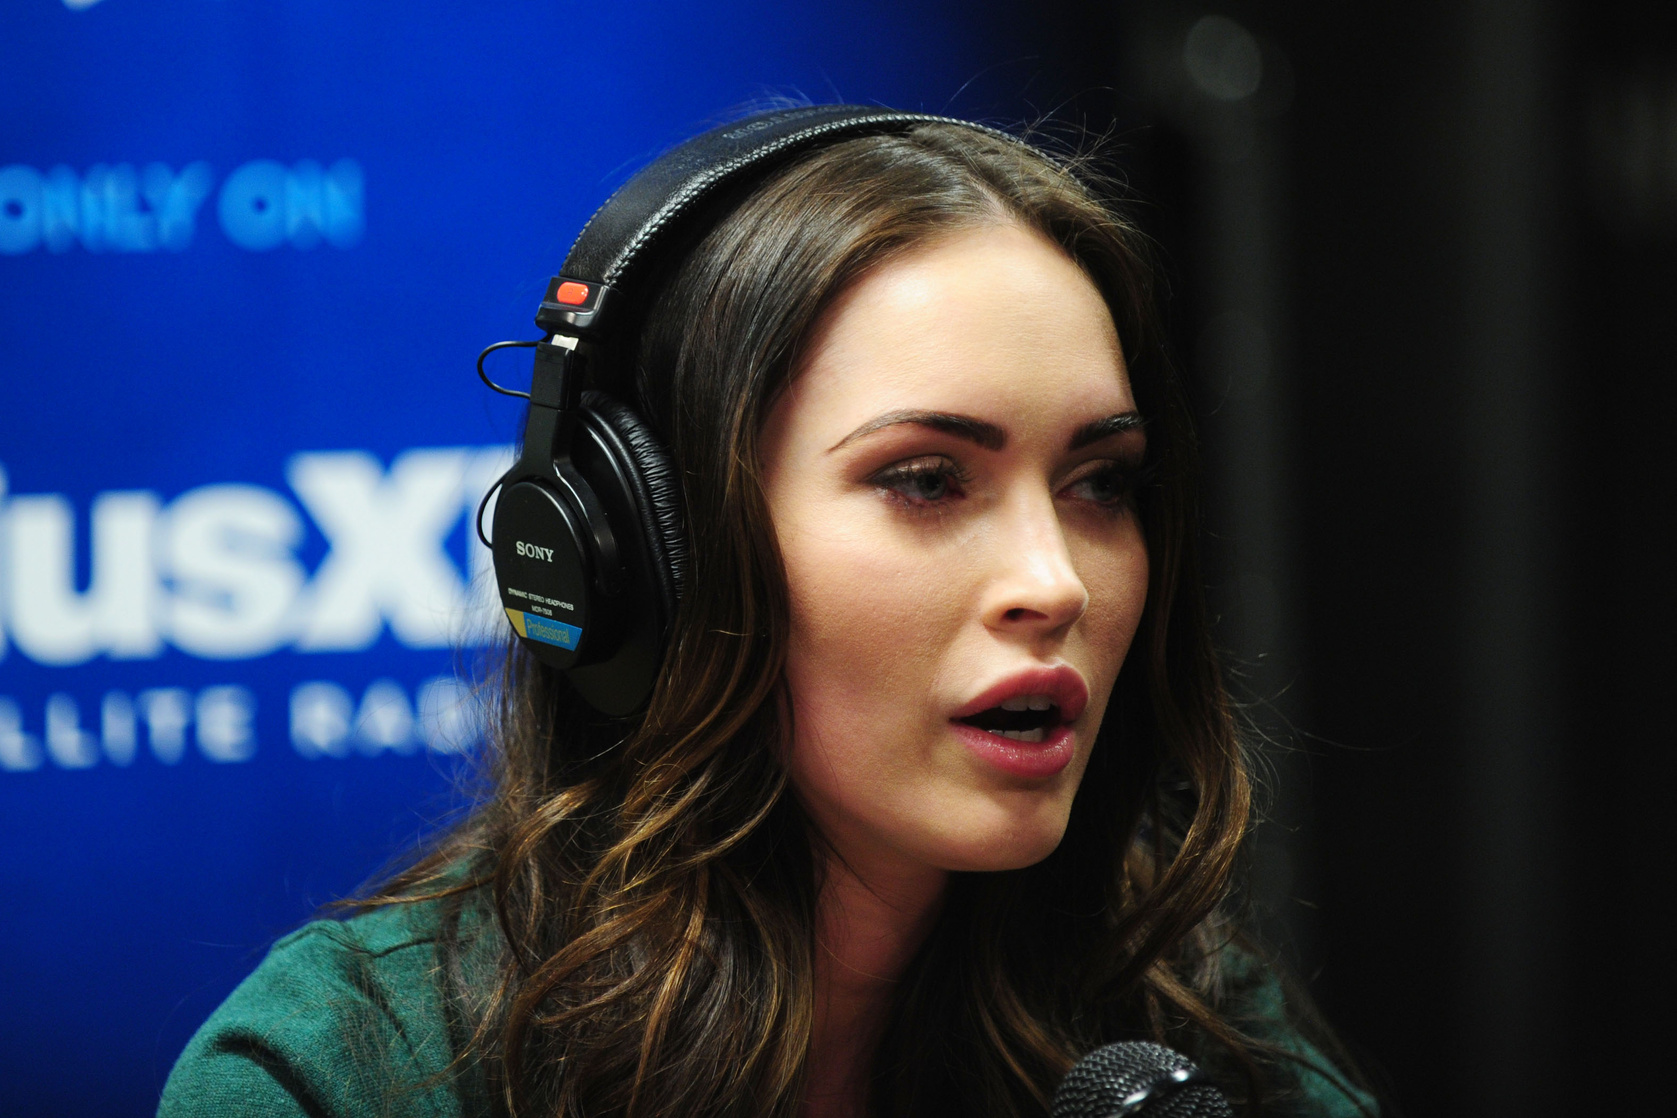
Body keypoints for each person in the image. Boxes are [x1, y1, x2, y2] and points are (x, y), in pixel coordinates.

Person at [158, 108, 1377, 1118]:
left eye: (1099, 482)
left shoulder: (1174, 1028)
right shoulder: (346, 1075)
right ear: (655, 553)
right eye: (926, 479)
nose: (1056, 581)